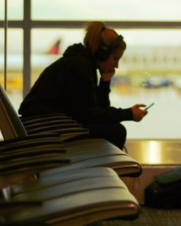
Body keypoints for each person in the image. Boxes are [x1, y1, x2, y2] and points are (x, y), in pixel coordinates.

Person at [19, 21, 148, 149]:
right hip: (45, 128)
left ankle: (99, 168)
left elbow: (98, 108)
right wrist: (129, 114)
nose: (116, 65)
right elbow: (91, 115)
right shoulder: (80, 67)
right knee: (117, 132)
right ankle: (99, 169)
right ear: (102, 53)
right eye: (115, 59)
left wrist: (105, 81)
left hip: (48, 125)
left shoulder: (81, 63)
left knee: (114, 129)